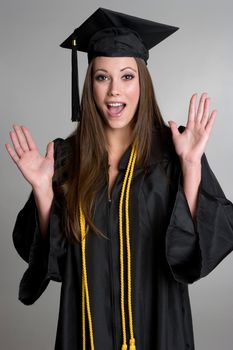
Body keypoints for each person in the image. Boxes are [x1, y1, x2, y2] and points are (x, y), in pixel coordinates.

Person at [5, 7, 233, 350]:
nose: (114, 91)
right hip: (85, 332)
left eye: (127, 76)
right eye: (102, 77)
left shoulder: (173, 152)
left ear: (142, 82)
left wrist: (191, 167)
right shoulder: (65, 159)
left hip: (159, 328)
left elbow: (190, 255)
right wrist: (43, 193)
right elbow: (59, 264)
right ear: (89, 85)